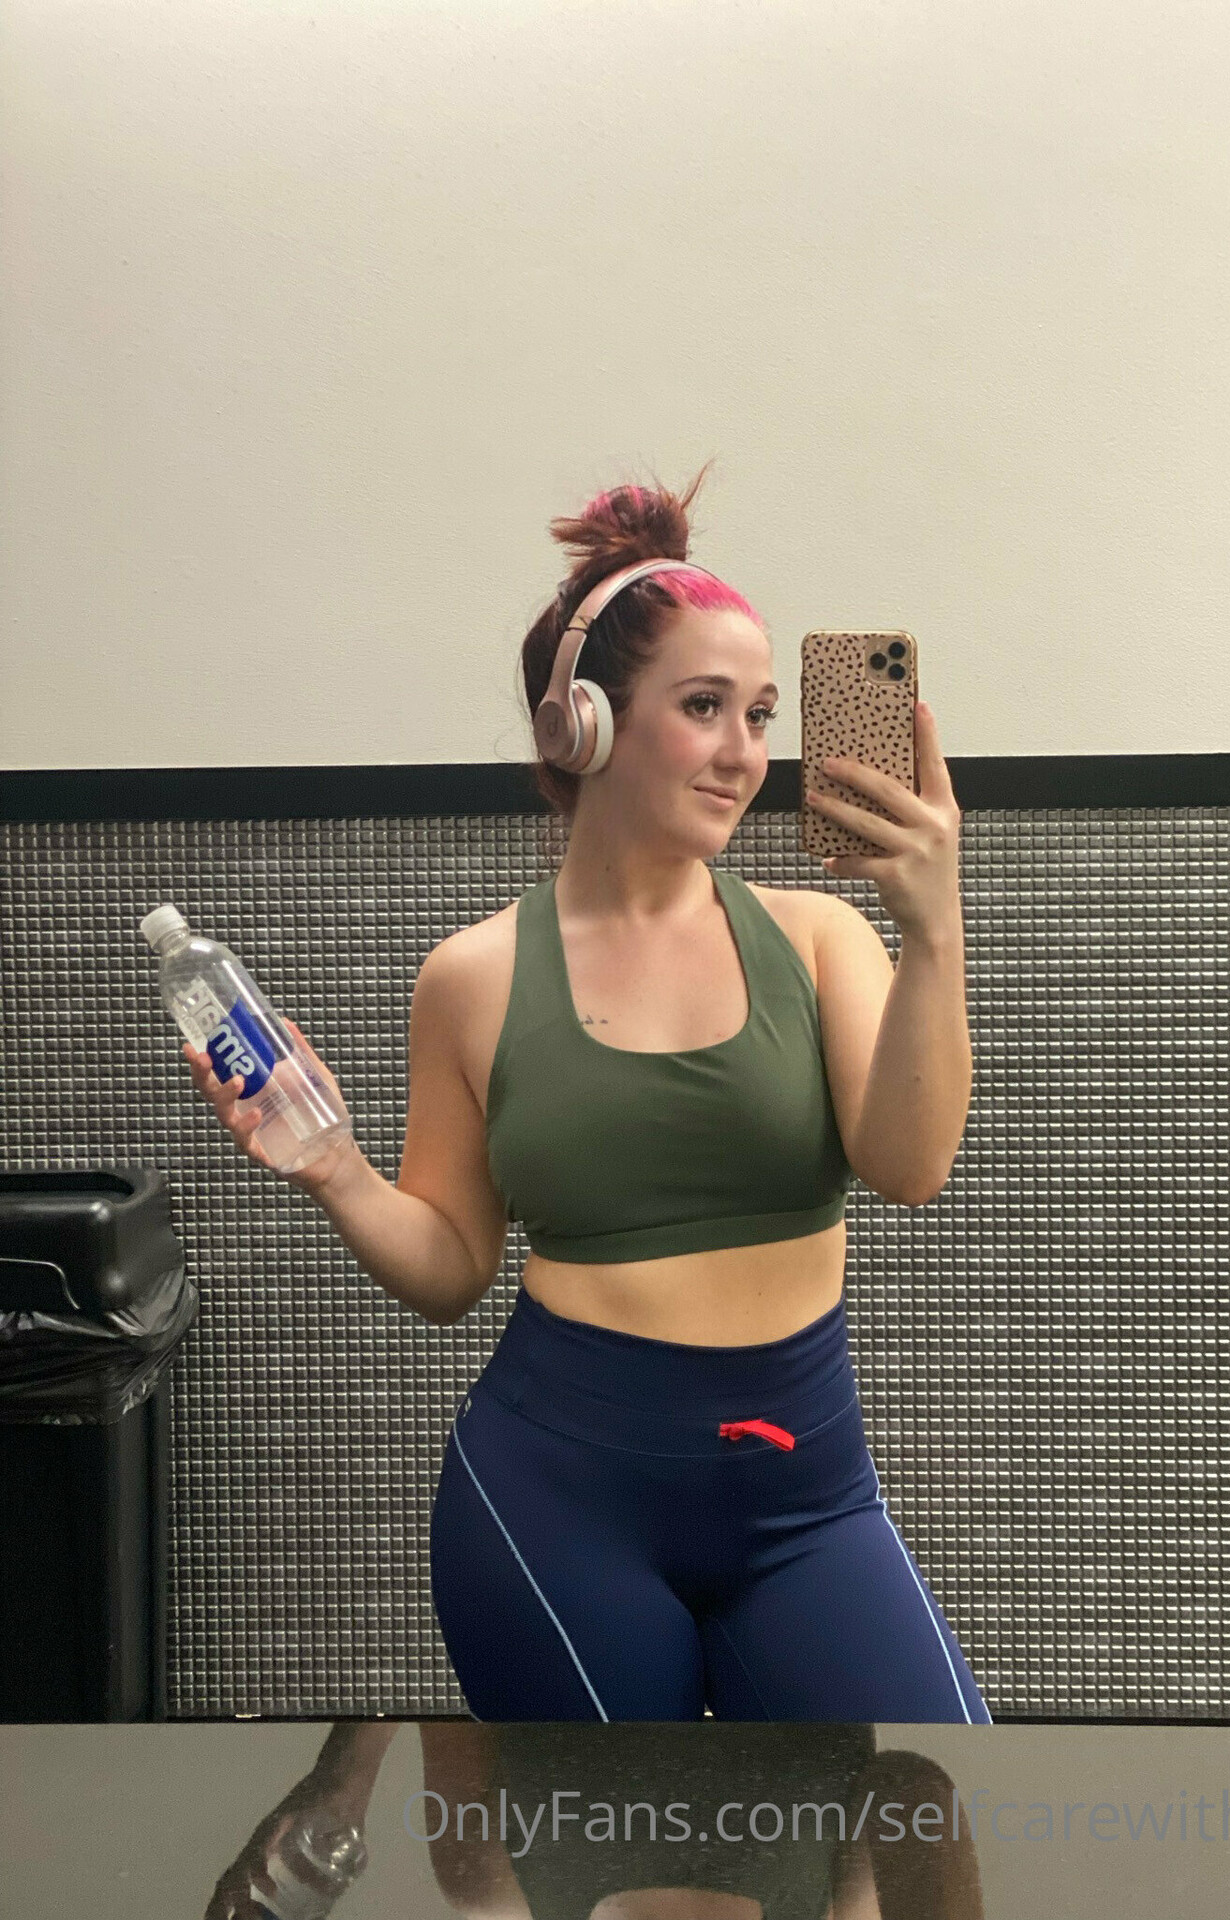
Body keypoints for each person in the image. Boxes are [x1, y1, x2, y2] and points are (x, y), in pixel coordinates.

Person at [185, 463, 990, 1723]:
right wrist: (335, 1171)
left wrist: (931, 930)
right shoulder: (472, 978)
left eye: (760, 714)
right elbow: (452, 1271)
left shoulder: (822, 937)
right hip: (558, 1498)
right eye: (704, 707)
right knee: (625, 1844)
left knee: (923, 1823)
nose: (744, 754)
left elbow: (911, 1167)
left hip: (808, 1501)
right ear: (583, 727)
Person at [204, 1716, 987, 1920]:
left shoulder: (488, 1883)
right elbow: (913, 1792)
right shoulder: (834, 1908)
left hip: (568, 1505)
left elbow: (442, 1662)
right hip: (774, 1515)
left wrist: (343, 1780)